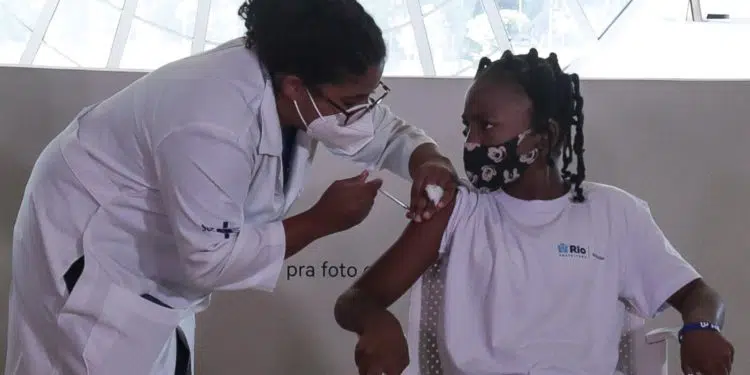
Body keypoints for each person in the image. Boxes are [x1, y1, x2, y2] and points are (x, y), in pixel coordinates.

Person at [4, 1, 459, 374]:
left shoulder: (300, 83)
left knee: (155, 348)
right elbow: (209, 262)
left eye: (371, 96)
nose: (363, 113)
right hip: (88, 242)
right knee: (90, 358)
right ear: (295, 87)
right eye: (352, 102)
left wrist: (428, 158)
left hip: (155, 254)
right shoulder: (210, 120)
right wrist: (323, 220)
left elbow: (378, 130)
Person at [334, 50, 734, 375]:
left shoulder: (615, 213)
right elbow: (357, 299)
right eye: (467, 127)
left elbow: (698, 294)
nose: (471, 143)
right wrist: (375, 321)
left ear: (545, 138)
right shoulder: (456, 210)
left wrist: (701, 327)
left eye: (486, 126)